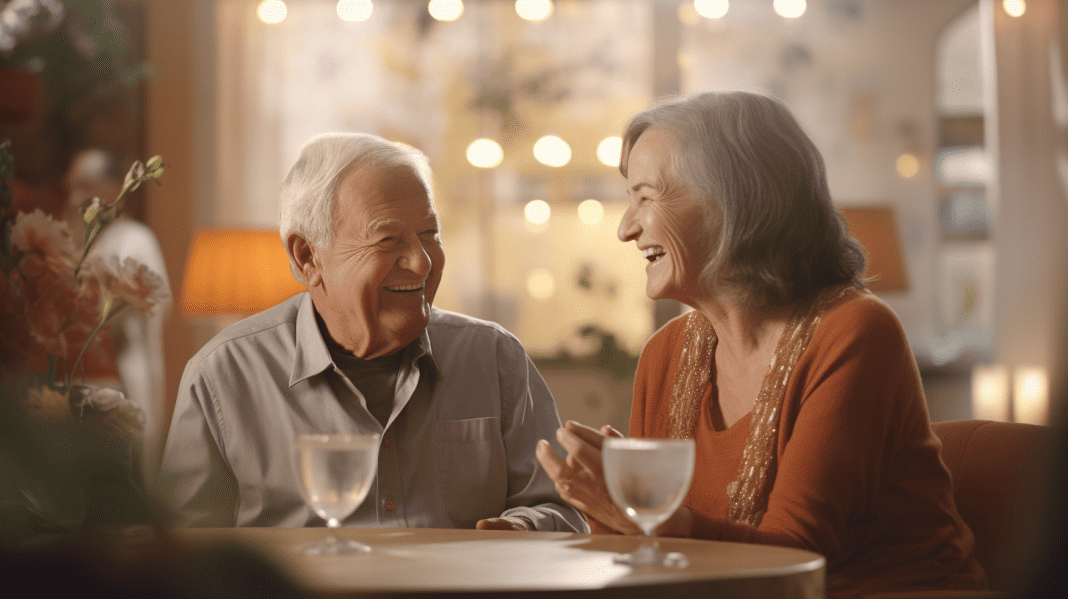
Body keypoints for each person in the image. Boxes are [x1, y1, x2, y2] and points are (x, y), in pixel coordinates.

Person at [535, 91, 986, 597]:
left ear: (731, 201)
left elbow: (792, 556)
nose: (626, 228)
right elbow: (649, 555)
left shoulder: (853, 332)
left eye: (645, 196)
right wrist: (570, 523)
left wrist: (642, 516)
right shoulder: (666, 353)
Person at [160, 133, 587, 533]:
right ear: (307, 256)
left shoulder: (494, 356)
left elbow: (562, 509)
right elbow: (184, 555)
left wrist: (521, 528)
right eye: (387, 240)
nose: (421, 262)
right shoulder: (223, 376)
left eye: (429, 234)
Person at [64, 148, 172, 475]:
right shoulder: (85, 241)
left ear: (112, 188)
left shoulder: (134, 240)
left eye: (84, 186)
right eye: (71, 187)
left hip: (122, 383)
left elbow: (152, 305)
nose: (74, 197)